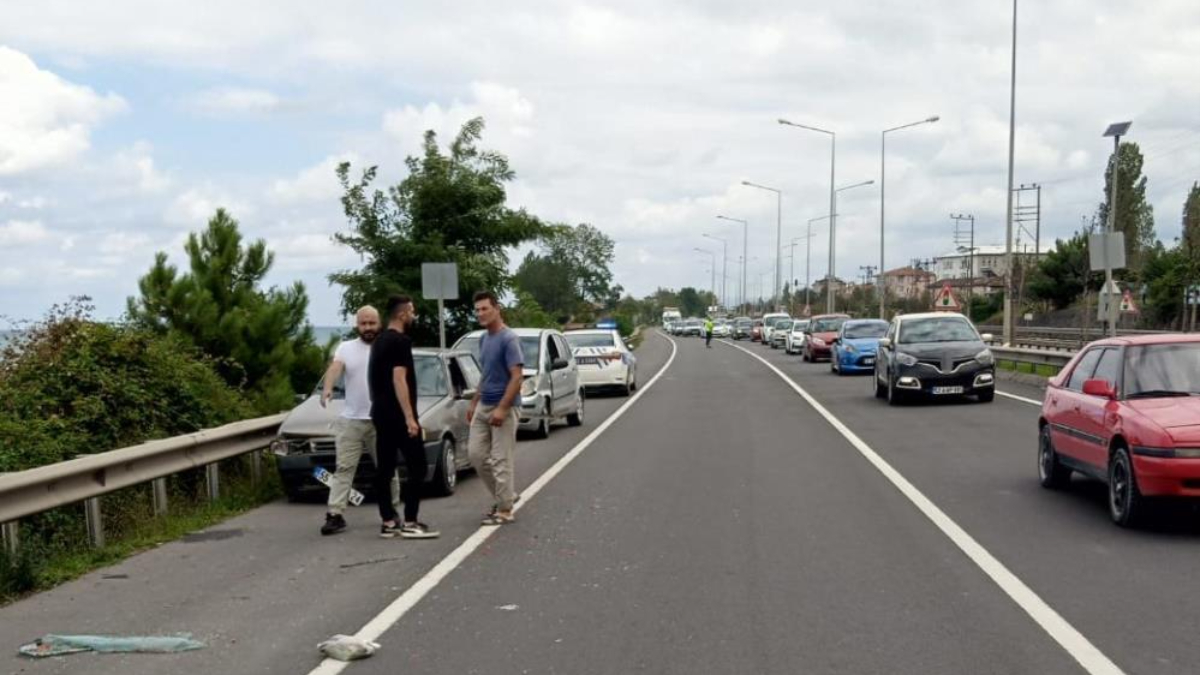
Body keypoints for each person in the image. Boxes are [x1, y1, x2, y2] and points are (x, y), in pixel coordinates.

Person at [320, 306, 401, 536]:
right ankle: (335, 514)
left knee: (387, 469)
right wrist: (327, 388)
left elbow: (401, 379)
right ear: (357, 325)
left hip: (381, 420)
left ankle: (391, 512)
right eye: (363, 324)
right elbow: (335, 368)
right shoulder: (346, 348)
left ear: (379, 323)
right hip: (351, 420)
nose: (368, 328)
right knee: (344, 468)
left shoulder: (388, 346)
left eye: (372, 323)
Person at [368, 295, 438, 539]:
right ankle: (410, 520)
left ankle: (388, 521)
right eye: (411, 311)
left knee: (385, 468)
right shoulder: (400, 342)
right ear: (402, 314)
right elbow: (399, 379)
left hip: (380, 412)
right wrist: (409, 417)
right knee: (417, 467)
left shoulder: (379, 341)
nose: (414, 316)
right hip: (398, 415)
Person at [467, 290, 523, 526]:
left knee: (501, 460)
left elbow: (517, 376)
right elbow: (486, 374)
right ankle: (506, 496)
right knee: (476, 455)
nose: (481, 313)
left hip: (504, 407)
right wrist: (474, 401)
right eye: (477, 310)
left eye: (485, 309)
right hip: (484, 404)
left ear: (497, 309)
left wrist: (502, 408)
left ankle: (505, 510)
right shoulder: (484, 339)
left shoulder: (508, 339)